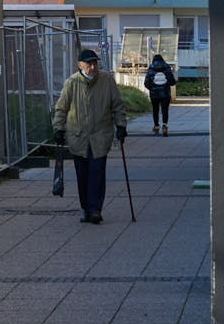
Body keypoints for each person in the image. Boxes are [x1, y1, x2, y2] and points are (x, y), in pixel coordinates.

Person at [52, 49, 127, 224]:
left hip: (100, 137)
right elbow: (61, 108)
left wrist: (121, 125)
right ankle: (86, 208)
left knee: (97, 174)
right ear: (80, 65)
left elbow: (117, 105)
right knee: (82, 176)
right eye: (89, 64)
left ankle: (95, 210)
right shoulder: (72, 82)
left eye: (95, 63)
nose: (93, 67)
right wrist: (58, 128)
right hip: (78, 137)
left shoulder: (107, 80)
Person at [144, 54, 176, 137]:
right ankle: (165, 126)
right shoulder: (166, 68)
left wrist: (152, 88)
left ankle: (156, 126)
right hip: (165, 93)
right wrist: (167, 84)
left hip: (154, 94)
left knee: (155, 110)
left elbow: (146, 83)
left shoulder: (151, 69)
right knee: (165, 110)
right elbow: (172, 82)